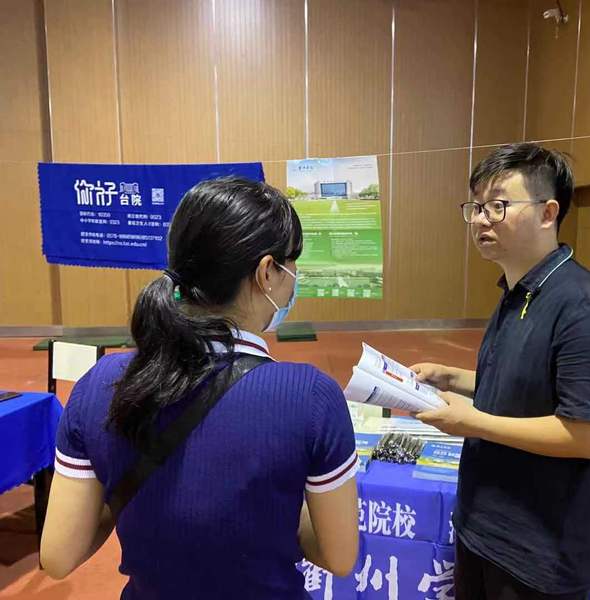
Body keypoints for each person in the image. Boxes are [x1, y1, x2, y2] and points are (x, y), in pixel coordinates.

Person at [40, 177, 359, 598]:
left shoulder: (100, 383)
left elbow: (58, 555)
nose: (294, 277)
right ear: (267, 272)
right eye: (292, 263)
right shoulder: (311, 397)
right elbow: (339, 556)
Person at [412, 143, 590, 600]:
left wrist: (473, 422)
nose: (481, 220)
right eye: (476, 207)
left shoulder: (585, 307)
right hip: (482, 527)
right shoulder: (518, 291)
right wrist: (451, 377)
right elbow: (525, 386)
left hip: (538, 553)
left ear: (548, 213)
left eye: (498, 206)